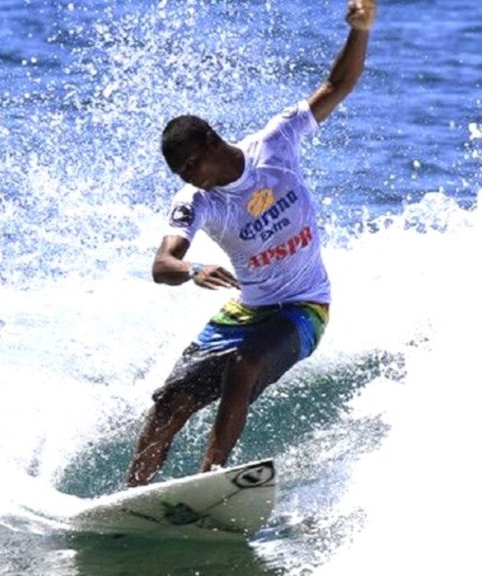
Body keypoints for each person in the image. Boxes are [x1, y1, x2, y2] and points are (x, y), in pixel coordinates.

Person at [125, 0, 377, 487]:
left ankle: (212, 480)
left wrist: (361, 30)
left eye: (191, 166)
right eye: (180, 174)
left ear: (212, 142)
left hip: (304, 306)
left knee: (244, 366)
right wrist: (192, 270)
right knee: (169, 401)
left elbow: (337, 86)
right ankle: (133, 494)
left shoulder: (276, 143)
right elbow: (162, 263)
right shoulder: (197, 201)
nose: (189, 178)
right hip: (247, 309)